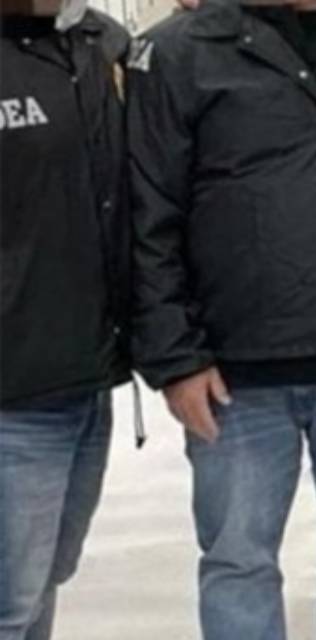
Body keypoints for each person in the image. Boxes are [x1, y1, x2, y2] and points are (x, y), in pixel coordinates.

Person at [126, 0, 316, 636]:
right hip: (236, 371)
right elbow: (148, 217)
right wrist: (176, 359)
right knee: (240, 559)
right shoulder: (183, 50)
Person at [0, 1, 131, 638]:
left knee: (40, 585)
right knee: (11, 602)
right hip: (13, 394)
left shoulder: (100, 42)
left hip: (86, 380)